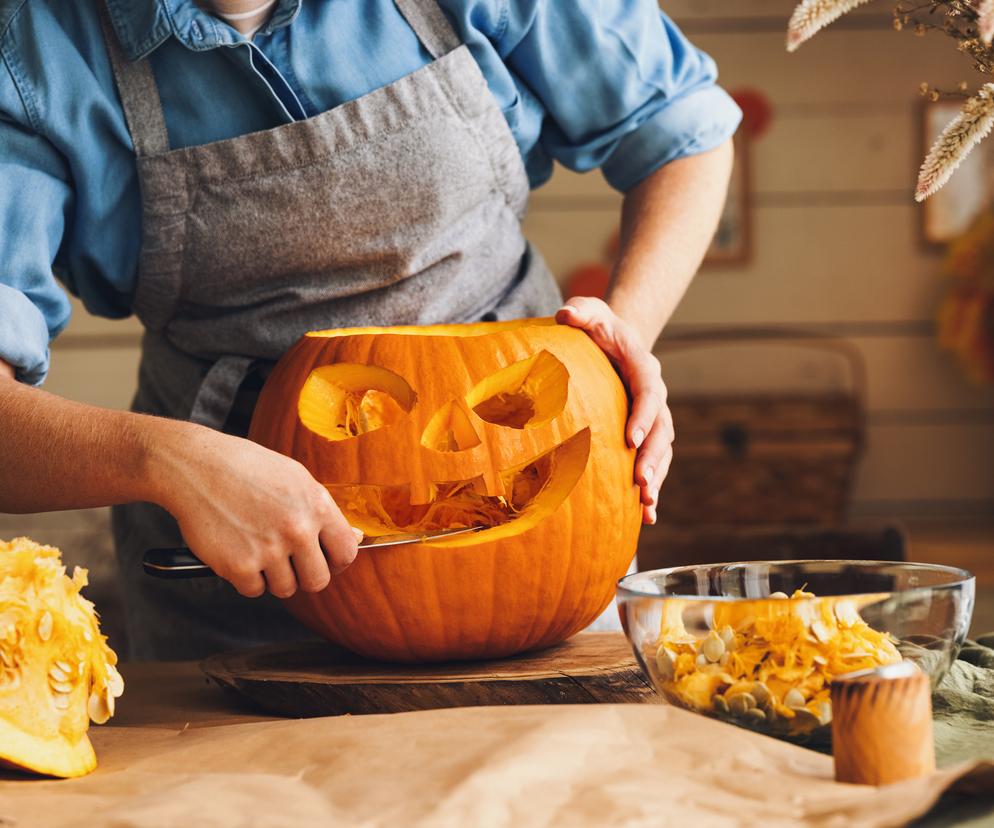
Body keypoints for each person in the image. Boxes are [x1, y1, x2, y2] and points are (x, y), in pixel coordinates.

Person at [0, 0, 739, 659]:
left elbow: (681, 130)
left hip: (542, 517)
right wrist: (166, 460)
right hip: (235, 575)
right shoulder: (30, 46)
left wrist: (622, 337)